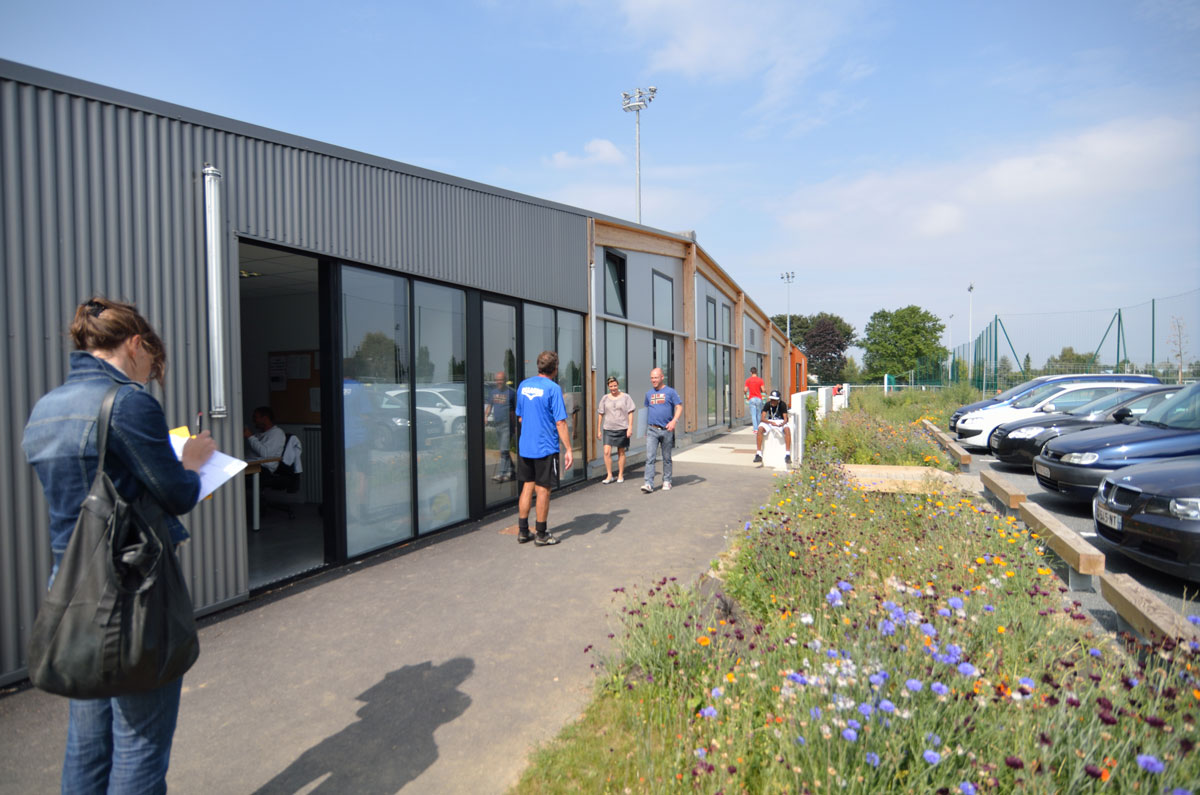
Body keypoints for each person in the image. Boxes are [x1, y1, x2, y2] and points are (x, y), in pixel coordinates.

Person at [22, 296, 217, 794]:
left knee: (87, 744)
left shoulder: (46, 409)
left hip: (70, 594)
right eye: (153, 358)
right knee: (140, 744)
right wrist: (192, 460)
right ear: (135, 344)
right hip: (133, 595)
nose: (153, 370)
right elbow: (177, 494)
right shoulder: (129, 403)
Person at [514, 351, 573, 546]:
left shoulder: (523, 385)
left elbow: (520, 417)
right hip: (545, 447)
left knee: (527, 486)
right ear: (555, 368)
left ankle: (523, 532)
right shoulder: (553, 388)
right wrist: (569, 449)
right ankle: (541, 534)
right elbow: (560, 423)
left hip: (525, 447)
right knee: (543, 490)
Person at [641, 367, 683, 493]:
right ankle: (648, 483)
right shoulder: (648, 394)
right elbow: (646, 411)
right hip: (652, 430)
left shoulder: (670, 392)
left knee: (666, 457)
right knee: (650, 457)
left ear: (662, 377)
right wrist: (643, 429)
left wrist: (674, 421)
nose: (653, 380)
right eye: (652, 378)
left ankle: (667, 481)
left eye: (656, 377)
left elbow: (679, 407)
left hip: (666, 430)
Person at [596, 376, 635, 483]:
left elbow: (630, 412)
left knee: (621, 452)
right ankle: (609, 475)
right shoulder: (604, 398)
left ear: (618, 385)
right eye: (611, 386)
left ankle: (620, 474)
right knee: (606, 452)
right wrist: (598, 429)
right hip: (608, 429)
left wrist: (630, 427)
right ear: (608, 387)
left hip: (622, 428)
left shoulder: (626, 397)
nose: (613, 388)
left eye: (615, 386)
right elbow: (600, 414)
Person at [484, 371, 516, 482]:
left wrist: (516, 426)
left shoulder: (511, 393)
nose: (499, 382)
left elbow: (516, 411)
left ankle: (501, 474)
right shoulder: (493, 393)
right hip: (497, 425)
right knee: (504, 450)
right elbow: (489, 406)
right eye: (497, 380)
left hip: (507, 426)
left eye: (501, 379)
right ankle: (511, 470)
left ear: (505, 380)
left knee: (503, 450)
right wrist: (486, 416)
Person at [753, 390, 792, 466]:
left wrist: (782, 424)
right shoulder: (768, 404)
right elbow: (762, 418)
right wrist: (770, 422)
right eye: (772, 399)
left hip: (780, 421)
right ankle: (758, 453)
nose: (773, 401)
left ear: (778, 400)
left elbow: (785, 419)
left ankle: (787, 454)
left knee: (787, 430)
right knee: (760, 428)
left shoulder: (782, 405)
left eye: (774, 400)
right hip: (770, 421)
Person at [243, 405, 285, 472]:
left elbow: (266, 454)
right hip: (251, 466)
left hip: (264, 469)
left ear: (265, 419)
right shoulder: (258, 434)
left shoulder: (277, 433)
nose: (253, 420)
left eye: (255, 417)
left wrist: (250, 437)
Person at [744, 366, 764, 432]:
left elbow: (745, 390)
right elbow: (763, 390)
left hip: (751, 398)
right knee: (758, 414)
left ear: (751, 372)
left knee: (753, 415)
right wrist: (765, 392)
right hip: (759, 398)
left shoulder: (748, 380)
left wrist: (746, 395)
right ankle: (758, 427)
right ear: (756, 372)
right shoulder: (760, 380)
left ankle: (755, 429)